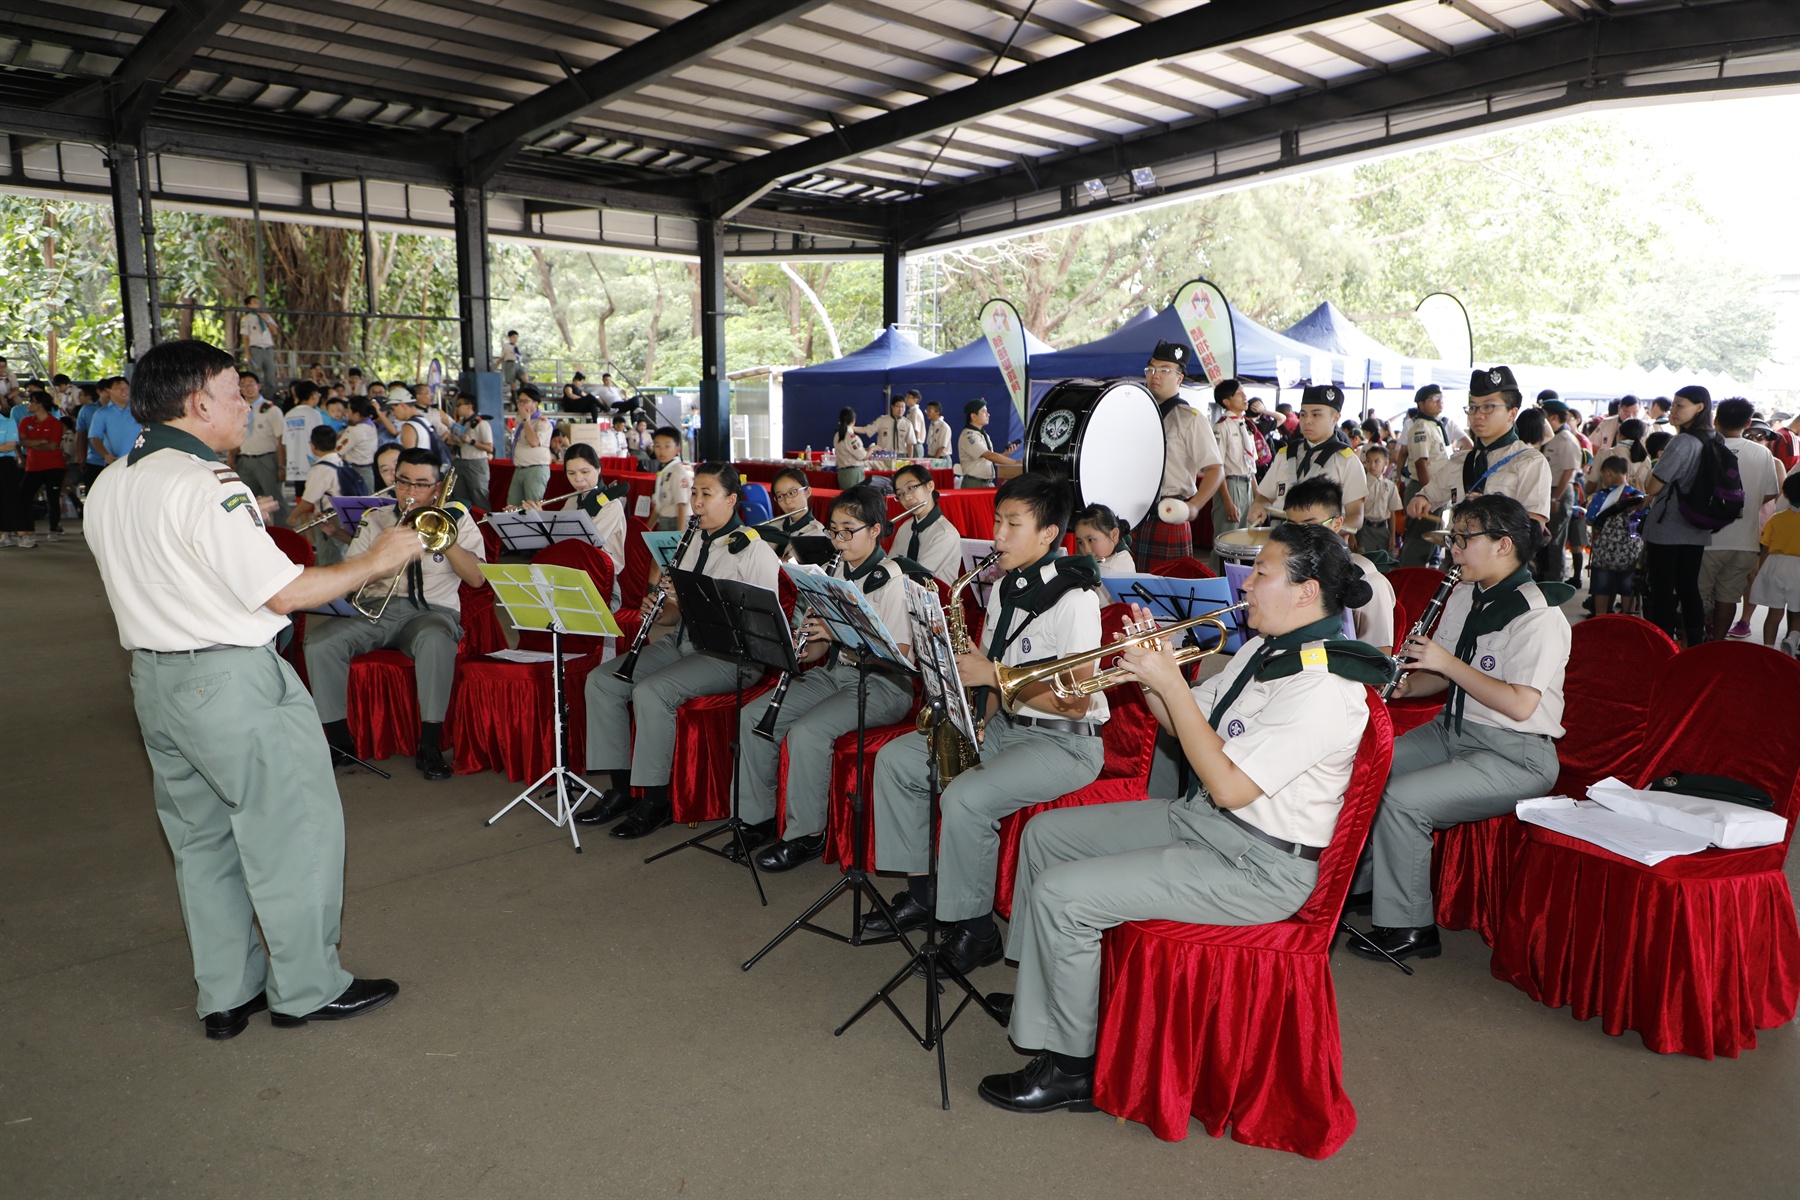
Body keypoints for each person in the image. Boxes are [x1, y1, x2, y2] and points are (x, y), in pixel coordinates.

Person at [976, 522, 1383, 1113]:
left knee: (1064, 895)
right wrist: (1151, 676)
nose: (1244, 586)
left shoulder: (1323, 686)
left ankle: (1071, 1069)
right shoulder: (1264, 651)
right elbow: (1181, 726)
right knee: (1044, 835)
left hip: (1258, 865)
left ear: (1306, 591)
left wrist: (1169, 680)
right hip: (1206, 822)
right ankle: (1047, 1001)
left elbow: (1229, 785)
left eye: (1260, 573)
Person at [86, 338, 419, 1038]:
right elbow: (284, 593)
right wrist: (382, 557)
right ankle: (306, 987)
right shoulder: (206, 483)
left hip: (156, 681)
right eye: (236, 393)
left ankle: (226, 992)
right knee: (293, 833)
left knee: (200, 842)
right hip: (230, 682)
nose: (249, 405)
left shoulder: (113, 479)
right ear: (198, 403)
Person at [864, 472, 1109, 976]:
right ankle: (924, 893)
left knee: (965, 798)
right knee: (896, 761)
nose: (997, 536)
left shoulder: (1077, 599)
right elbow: (990, 675)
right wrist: (974, 718)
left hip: (1064, 743)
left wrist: (991, 674)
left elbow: (1075, 702)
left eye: (1011, 524)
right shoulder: (1004, 588)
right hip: (1006, 726)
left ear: (1048, 534)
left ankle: (977, 932)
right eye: (997, 522)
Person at [1352, 494, 1571, 963]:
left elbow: (1519, 704)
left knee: (1403, 800)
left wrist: (1445, 663)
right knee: (1369, 768)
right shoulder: (1465, 592)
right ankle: (1370, 886)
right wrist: (1406, 687)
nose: (1452, 549)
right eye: (1453, 538)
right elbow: (1443, 675)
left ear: (1503, 545)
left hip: (1516, 753)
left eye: (1463, 539)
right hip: (1452, 729)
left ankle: (1412, 927)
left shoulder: (1539, 616)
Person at [578, 464, 783, 836]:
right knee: (603, 681)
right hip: (683, 642)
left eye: (707, 494)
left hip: (731, 655)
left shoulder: (754, 551)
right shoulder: (690, 541)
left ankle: (656, 800)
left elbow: (759, 626)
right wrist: (661, 609)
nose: (697, 502)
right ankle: (622, 789)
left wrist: (695, 600)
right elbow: (674, 615)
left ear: (731, 500)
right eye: (695, 493)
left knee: (651, 691)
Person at [737, 486, 916, 871]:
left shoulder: (892, 579)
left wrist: (840, 634)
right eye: (833, 530)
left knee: (808, 733)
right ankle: (759, 818)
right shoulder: (834, 571)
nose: (838, 540)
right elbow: (821, 649)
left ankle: (807, 835)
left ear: (875, 530)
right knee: (753, 716)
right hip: (836, 673)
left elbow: (899, 656)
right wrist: (803, 648)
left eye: (848, 530)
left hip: (882, 685)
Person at [305, 447, 489, 781]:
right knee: (320, 643)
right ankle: (339, 741)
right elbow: (351, 575)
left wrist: (444, 538)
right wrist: (381, 557)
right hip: (377, 610)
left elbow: (477, 579)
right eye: (403, 482)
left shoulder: (458, 518)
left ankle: (429, 744)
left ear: (437, 488)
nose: (410, 491)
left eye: (421, 484)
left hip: (431, 612)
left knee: (435, 640)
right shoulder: (375, 518)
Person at [1405, 368, 1551, 541]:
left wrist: (1492, 511)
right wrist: (1421, 499)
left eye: (1488, 407)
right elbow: (1430, 494)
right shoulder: (1460, 461)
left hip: (1503, 556)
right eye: (1473, 407)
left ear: (1512, 413)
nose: (1477, 415)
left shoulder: (1530, 462)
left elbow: (1534, 528)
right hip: (1459, 553)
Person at [1130, 341, 1224, 569]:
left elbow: (1215, 469)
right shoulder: (1136, 413)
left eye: (1164, 370)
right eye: (1151, 369)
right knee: (1128, 583)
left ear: (1179, 378)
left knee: (1167, 584)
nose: (1155, 375)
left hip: (1169, 514)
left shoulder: (1190, 419)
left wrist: (1195, 506)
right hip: (1132, 514)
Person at [1282, 477, 1398, 654]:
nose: (1299, 537)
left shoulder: (1368, 580)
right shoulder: (1290, 570)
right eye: (1292, 527)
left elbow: (1379, 656)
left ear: (1337, 524)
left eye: (1310, 526)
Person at [1640, 385, 1718, 647]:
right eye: (1673, 405)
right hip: (1698, 525)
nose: (1673, 410)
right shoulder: (1714, 438)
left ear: (1700, 407)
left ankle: (1663, 646)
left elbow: (1653, 486)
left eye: (1680, 405)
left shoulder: (1683, 442)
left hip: (1668, 526)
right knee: (1688, 587)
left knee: (1661, 589)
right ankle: (1693, 645)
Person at [1704, 398, 1785, 641]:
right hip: (1745, 542)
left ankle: (1691, 645)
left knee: (1696, 595)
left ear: (1716, 420)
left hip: (1705, 539)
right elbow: (1770, 494)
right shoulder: (1762, 453)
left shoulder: (1704, 447)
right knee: (1728, 597)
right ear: (1748, 423)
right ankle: (1717, 643)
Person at [1248, 383, 1368, 533]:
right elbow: (1264, 498)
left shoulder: (1347, 460)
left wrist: (1325, 532)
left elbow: (1356, 517)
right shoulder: (1285, 454)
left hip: (1323, 543)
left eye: (1316, 415)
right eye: (1303, 414)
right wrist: (1258, 506)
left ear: (1335, 418)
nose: (1307, 421)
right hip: (1281, 538)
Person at [528, 444, 629, 588]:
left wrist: (541, 518)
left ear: (598, 469)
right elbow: (556, 532)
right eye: (571, 473)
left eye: (585, 472)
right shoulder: (574, 499)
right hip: (570, 572)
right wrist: (531, 516)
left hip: (600, 580)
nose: (578, 479)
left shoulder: (611, 506)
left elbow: (582, 545)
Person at [1584, 456, 1647, 616]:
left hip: (1604, 555)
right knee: (1628, 589)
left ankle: (1601, 620)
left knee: (1602, 589)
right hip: (1630, 554)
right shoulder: (1639, 497)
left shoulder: (1602, 496)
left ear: (1608, 473)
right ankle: (1628, 621)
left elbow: (1590, 520)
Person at [1747, 473, 1800, 655]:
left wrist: (1760, 570)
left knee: (1774, 611)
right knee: (1798, 610)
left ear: (1785, 494)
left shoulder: (1776, 519)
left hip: (1775, 565)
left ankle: (1768, 649)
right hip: (1798, 568)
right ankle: (1793, 638)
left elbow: (1766, 548)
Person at [288, 425, 353, 565]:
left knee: (330, 560)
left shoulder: (321, 468)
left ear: (313, 446)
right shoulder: (343, 462)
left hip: (329, 519)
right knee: (345, 557)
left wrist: (293, 517)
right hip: (347, 514)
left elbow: (308, 501)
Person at [1210, 378, 1256, 573]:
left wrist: (1257, 495)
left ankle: (1239, 580)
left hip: (1247, 484)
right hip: (1230, 485)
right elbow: (1217, 467)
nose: (1245, 397)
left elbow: (1251, 465)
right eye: (1239, 393)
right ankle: (1218, 579)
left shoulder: (1246, 426)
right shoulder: (1222, 427)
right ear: (1226, 401)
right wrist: (1228, 502)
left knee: (1245, 540)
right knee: (1226, 539)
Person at [890, 462, 963, 584]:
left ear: (930, 486)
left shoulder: (945, 534)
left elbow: (919, 577)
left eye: (911, 488)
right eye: (900, 494)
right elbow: (891, 565)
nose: (906, 497)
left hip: (937, 595)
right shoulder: (905, 527)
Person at [1536, 399, 1583, 583]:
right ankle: (1544, 577)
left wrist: (1555, 498)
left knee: (1555, 540)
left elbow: (1569, 471)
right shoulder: (1550, 437)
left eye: (1544, 416)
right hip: (1548, 490)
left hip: (1559, 492)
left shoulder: (1566, 440)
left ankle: (1554, 581)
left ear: (1553, 417)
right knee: (1544, 538)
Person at [18, 391, 66, 545]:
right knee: (23, 497)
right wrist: (40, 441)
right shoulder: (26, 421)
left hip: (54, 466)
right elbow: (21, 441)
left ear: (40, 404)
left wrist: (32, 443)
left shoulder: (55, 423)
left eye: (31, 401)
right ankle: (29, 530)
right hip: (33, 466)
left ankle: (53, 530)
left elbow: (52, 446)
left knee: (53, 497)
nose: (28, 404)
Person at [1072, 503, 1135, 602]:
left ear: (1114, 535)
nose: (1086, 550)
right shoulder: (1118, 553)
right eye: (1080, 542)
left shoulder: (1111, 570)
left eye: (1091, 540)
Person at [757, 466, 825, 557]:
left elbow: (789, 563)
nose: (787, 501)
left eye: (792, 493)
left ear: (807, 492)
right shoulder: (774, 526)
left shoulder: (816, 533)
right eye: (780, 496)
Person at [505, 387, 553, 506]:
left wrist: (526, 420)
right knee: (512, 506)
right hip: (519, 468)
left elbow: (534, 442)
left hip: (535, 469)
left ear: (535, 403)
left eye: (525, 401)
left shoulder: (543, 422)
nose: (521, 404)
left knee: (532, 505)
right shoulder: (519, 418)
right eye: (520, 401)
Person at [445, 394, 493, 510]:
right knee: (460, 498)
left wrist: (471, 441)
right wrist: (451, 442)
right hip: (459, 461)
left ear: (469, 406)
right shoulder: (460, 423)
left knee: (479, 497)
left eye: (459, 405)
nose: (457, 408)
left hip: (475, 463)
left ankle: (483, 520)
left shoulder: (481, 423)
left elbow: (489, 448)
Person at [281, 380, 324, 507]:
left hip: (295, 466)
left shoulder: (289, 414)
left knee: (301, 501)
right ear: (313, 395)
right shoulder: (314, 414)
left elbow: (284, 442)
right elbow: (319, 439)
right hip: (312, 465)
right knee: (315, 502)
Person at [957, 400, 1017, 488]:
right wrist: (1015, 463)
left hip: (987, 482)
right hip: (974, 483)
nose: (988, 414)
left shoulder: (982, 434)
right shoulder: (969, 436)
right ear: (973, 416)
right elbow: (989, 456)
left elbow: (989, 459)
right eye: (984, 412)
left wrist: (1006, 454)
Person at [1358, 444, 1401, 559]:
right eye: (1369, 461)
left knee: (1385, 561)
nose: (1372, 465)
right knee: (1364, 561)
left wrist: (1392, 536)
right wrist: (1352, 536)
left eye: (1377, 461)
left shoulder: (1390, 486)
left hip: (1383, 530)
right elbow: (1354, 510)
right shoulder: (1361, 484)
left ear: (1386, 463)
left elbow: (1392, 513)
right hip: (1364, 530)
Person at [648, 425, 693, 531]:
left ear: (677, 449)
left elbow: (682, 505)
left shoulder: (678, 472)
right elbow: (660, 505)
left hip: (676, 522)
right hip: (664, 520)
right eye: (657, 446)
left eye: (667, 446)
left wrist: (680, 535)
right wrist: (647, 528)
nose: (662, 451)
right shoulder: (665, 471)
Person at [337, 398, 380, 493]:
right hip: (368, 471)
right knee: (368, 498)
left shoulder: (354, 430)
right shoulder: (371, 425)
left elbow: (338, 451)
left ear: (357, 414)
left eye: (348, 410)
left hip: (354, 471)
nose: (346, 412)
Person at [239, 296, 278, 387]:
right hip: (255, 349)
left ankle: (270, 393)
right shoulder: (246, 318)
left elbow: (275, 331)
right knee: (256, 374)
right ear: (249, 305)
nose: (258, 304)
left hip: (268, 348)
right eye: (255, 302)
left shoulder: (266, 316)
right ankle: (257, 392)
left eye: (258, 302)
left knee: (270, 374)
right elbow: (245, 336)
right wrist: (247, 352)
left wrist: (266, 319)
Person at [0, 401, 23, 546]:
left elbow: (9, 446)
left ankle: (12, 533)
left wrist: (3, 447)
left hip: (5, 464)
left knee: (9, 499)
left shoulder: (8, 422)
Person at [833, 406, 870, 488]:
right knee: (856, 495)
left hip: (842, 473)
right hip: (853, 474)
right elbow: (863, 456)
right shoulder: (851, 436)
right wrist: (872, 449)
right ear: (853, 420)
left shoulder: (837, 435)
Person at [903, 389, 928, 455]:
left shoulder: (915, 412)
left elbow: (916, 430)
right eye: (906, 397)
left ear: (915, 400)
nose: (906, 399)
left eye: (908, 397)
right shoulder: (911, 411)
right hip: (911, 444)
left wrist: (912, 444)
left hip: (915, 445)